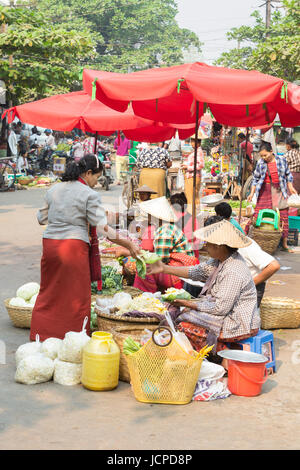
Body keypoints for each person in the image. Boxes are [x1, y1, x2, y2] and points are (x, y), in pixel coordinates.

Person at [30, 154, 140, 342]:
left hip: (50, 245)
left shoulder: (54, 189)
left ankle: (41, 334)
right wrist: (128, 243)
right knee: (77, 296)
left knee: (49, 291)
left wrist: (63, 213)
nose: (97, 183)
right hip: (73, 246)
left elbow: (41, 218)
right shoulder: (89, 194)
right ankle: (74, 338)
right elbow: (102, 228)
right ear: (88, 173)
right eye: (96, 178)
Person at [147, 218, 260, 355]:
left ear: (218, 246)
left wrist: (187, 303)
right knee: (180, 313)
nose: (205, 246)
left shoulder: (233, 270)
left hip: (238, 323)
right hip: (225, 313)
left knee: (182, 326)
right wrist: (164, 268)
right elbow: (197, 272)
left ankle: (222, 354)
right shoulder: (221, 260)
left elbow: (219, 308)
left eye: (208, 243)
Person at [133, 196, 199, 293]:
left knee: (145, 269)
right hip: (183, 268)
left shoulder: (164, 231)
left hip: (181, 274)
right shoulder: (166, 227)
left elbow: (161, 260)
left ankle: (146, 294)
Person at [247, 141, 298, 252]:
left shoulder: (282, 160)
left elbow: (288, 175)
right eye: (262, 156)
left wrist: (290, 187)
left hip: (279, 191)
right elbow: (255, 179)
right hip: (264, 191)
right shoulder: (260, 162)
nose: (264, 157)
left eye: (265, 155)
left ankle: (284, 245)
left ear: (271, 151)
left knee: (283, 216)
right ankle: (259, 241)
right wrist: (251, 193)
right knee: (258, 216)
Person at [181, 134, 204, 212]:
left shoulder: (199, 151)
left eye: (193, 141)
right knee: (191, 197)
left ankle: (192, 214)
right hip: (191, 176)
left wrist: (188, 167)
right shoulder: (196, 151)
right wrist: (186, 165)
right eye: (191, 141)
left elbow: (201, 165)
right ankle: (194, 213)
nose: (191, 143)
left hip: (193, 176)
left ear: (198, 142)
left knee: (191, 197)